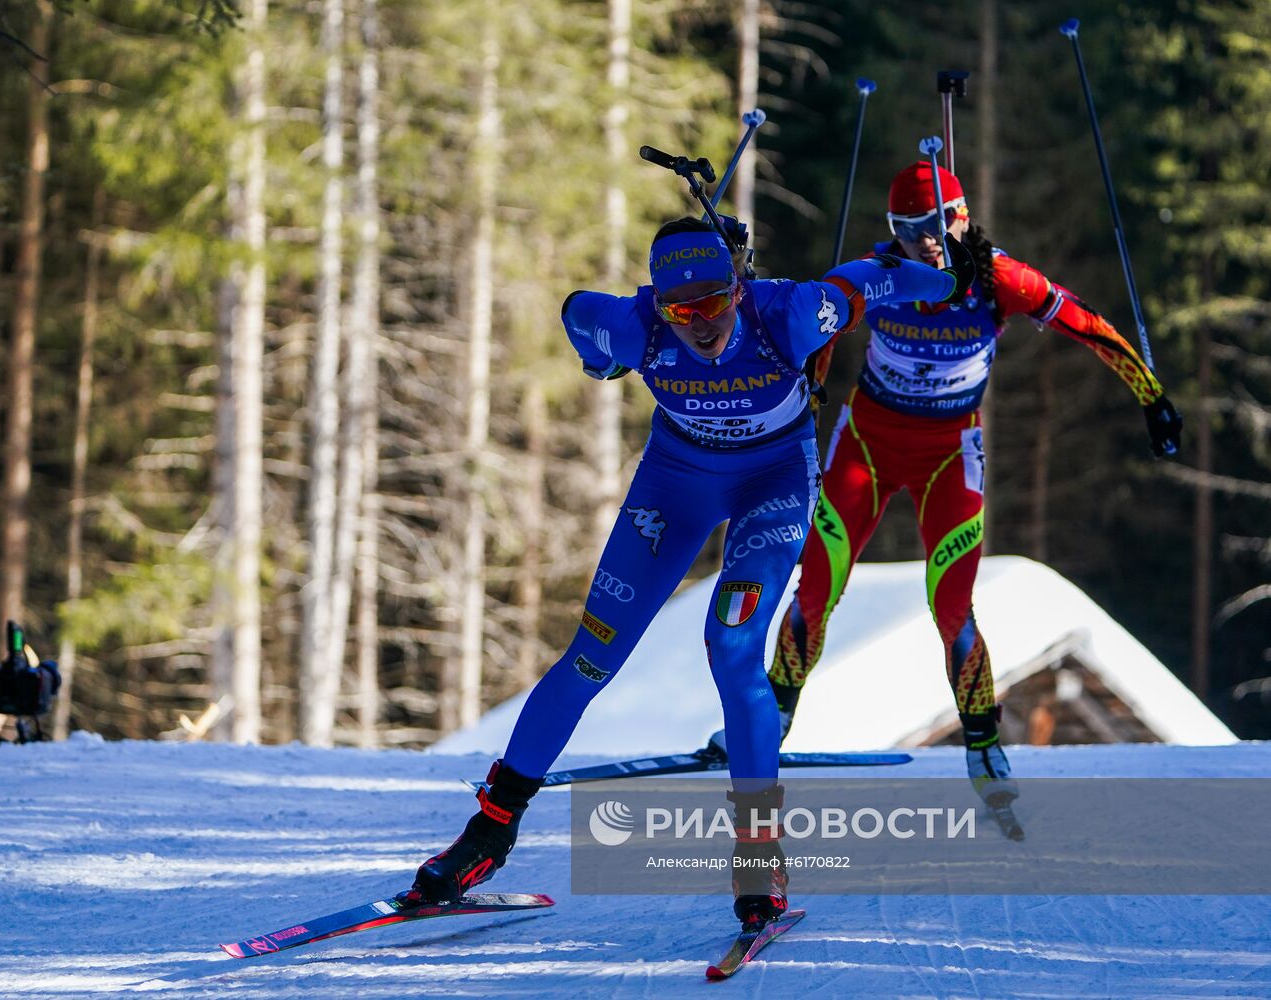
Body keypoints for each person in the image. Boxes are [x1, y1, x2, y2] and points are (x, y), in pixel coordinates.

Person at [403, 215, 974, 926]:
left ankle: (760, 853)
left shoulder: (788, 315)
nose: (700, 323)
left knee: (733, 646)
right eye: (681, 310)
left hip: (773, 483)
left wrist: (950, 277)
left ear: (740, 285)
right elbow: (576, 310)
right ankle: (489, 829)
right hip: (675, 482)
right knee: (591, 656)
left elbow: (874, 282)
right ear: (657, 303)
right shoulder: (632, 325)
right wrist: (600, 361)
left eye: (714, 301)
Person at [712, 161, 1182, 809]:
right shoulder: (878, 274)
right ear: (892, 232)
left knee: (951, 604)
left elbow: (1084, 321)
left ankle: (984, 741)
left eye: (938, 223)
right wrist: (811, 389)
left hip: (947, 455)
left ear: (962, 217)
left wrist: (1151, 397)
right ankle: (776, 718)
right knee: (817, 587)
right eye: (908, 229)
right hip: (868, 449)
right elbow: (817, 323)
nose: (925, 240)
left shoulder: (999, 280)